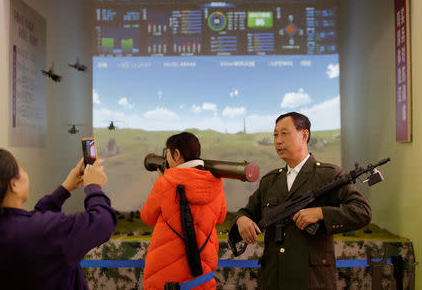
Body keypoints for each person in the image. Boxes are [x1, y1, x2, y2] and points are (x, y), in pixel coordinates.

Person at [232, 112, 372, 290]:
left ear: (304, 135)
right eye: (275, 135)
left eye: (284, 133)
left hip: (312, 279)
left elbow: (362, 211)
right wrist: (242, 220)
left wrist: (321, 213)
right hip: (274, 278)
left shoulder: (329, 175)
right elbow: (246, 212)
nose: (278, 140)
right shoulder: (270, 181)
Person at [0, 148, 117, 290]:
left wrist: (66, 188)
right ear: (14, 184)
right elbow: (103, 222)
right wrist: (93, 186)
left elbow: (32, 227)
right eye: (21, 169)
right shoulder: (41, 232)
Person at [141, 132, 227, 290]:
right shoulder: (215, 184)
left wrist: (162, 180)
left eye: (167, 154)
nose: (166, 159)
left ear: (176, 154)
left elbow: (147, 217)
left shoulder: (165, 183)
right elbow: (220, 218)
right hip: (202, 278)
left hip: (166, 279)